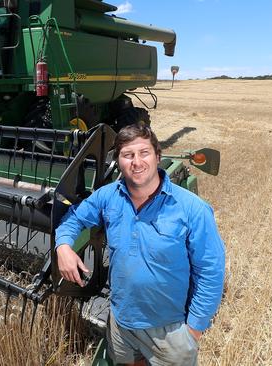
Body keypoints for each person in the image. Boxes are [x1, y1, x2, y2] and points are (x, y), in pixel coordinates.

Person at [55, 124, 225, 366]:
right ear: (119, 162)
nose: (136, 162)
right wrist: (63, 247)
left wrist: (193, 331)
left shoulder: (192, 209)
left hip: (169, 330)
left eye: (144, 153)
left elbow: (210, 272)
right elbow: (74, 218)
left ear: (158, 157)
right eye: (128, 155)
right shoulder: (108, 196)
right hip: (121, 324)